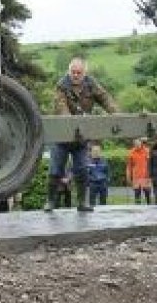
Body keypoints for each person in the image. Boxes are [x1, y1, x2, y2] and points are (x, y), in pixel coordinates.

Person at [43, 57, 118, 212]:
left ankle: (82, 202)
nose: (75, 75)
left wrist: (117, 114)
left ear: (84, 73)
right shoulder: (61, 85)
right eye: (73, 72)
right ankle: (50, 201)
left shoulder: (91, 84)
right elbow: (60, 106)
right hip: (62, 136)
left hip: (81, 138)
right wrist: (71, 122)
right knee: (55, 170)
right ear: (69, 71)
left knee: (82, 170)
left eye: (79, 72)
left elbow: (105, 98)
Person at [126, 138, 151, 204]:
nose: (137, 145)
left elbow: (150, 164)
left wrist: (150, 176)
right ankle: (137, 210)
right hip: (136, 177)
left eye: (138, 143)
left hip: (145, 177)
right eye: (135, 144)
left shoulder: (147, 151)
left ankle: (150, 209)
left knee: (148, 195)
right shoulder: (131, 152)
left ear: (141, 143)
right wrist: (128, 176)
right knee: (137, 196)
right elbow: (129, 166)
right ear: (134, 144)